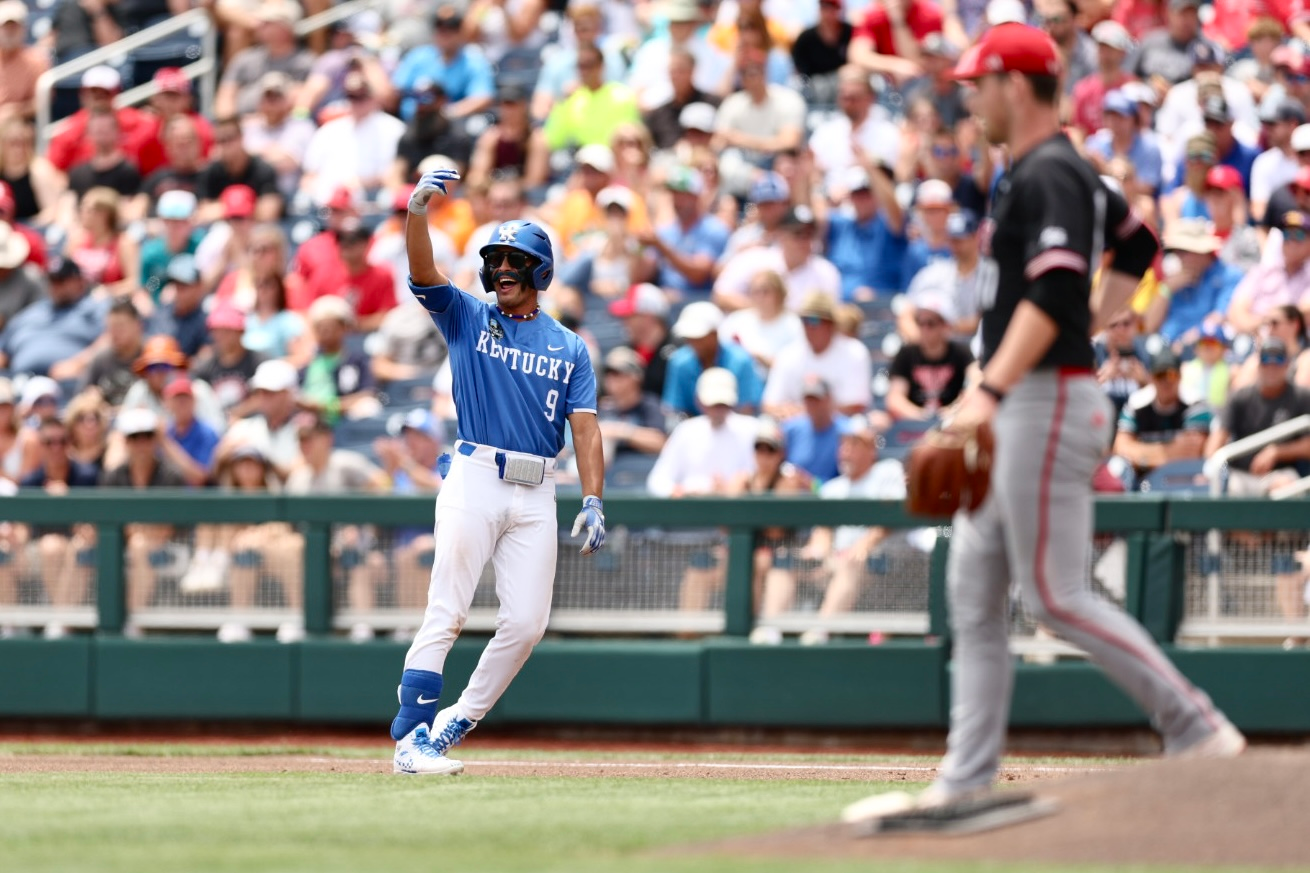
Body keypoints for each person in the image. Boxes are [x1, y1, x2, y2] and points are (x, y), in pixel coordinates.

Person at [844, 24, 1245, 830]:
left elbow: (1055, 289)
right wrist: (1085, 331)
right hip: (1035, 386)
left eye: (977, 83)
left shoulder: (1050, 169)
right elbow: (1139, 244)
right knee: (975, 589)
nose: (969, 97)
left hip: (1040, 396)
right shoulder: (1054, 172)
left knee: (1056, 593)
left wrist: (989, 388)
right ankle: (965, 779)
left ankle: (1197, 726)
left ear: (1014, 85)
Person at [387, 168, 605, 775]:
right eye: (496, 260)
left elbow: (584, 427)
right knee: (448, 609)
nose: (503, 269)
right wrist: (417, 214)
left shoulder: (570, 346)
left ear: (540, 271)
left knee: (528, 622)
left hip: (539, 488)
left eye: (516, 260)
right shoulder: (467, 316)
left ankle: (452, 723)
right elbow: (424, 274)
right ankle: (411, 739)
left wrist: (593, 499)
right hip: (476, 474)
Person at [753, 416, 907, 645]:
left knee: (851, 561)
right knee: (786, 558)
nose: (845, 450)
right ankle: (771, 629)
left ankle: (820, 632)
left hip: (879, 564)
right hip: (836, 564)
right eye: (843, 444)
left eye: (854, 444)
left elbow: (889, 521)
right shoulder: (834, 488)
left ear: (870, 449)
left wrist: (861, 546)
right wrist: (817, 551)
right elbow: (823, 532)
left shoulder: (887, 471)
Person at [762, 293, 873, 419]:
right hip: (794, 428)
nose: (808, 327)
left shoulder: (855, 352)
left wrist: (808, 413)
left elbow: (856, 406)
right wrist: (791, 414)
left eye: (814, 320)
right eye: (804, 320)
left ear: (831, 324)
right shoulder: (787, 355)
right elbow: (769, 404)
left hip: (840, 428)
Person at [1113, 349, 1210, 478]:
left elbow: (1189, 453)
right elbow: (1121, 448)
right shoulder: (1136, 404)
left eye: (1171, 375)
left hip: (1183, 478)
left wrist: (1139, 453)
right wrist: (1169, 452)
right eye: (1160, 375)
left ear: (1180, 376)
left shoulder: (1195, 404)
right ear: (1151, 378)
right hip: (1143, 478)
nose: (1166, 382)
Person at [662, 301, 764, 418]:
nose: (693, 342)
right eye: (689, 338)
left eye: (698, 337)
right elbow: (676, 408)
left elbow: (747, 408)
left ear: (714, 334)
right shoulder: (679, 363)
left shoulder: (740, 360)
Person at [885, 291, 974, 421]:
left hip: (953, 424)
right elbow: (895, 398)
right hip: (913, 427)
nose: (924, 329)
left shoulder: (961, 351)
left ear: (945, 326)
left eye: (930, 323)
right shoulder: (906, 353)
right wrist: (923, 417)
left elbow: (976, 382)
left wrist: (952, 412)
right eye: (920, 323)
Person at [597, 347, 667, 461]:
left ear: (636, 376)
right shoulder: (604, 408)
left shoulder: (650, 405)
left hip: (642, 471)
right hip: (611, 472)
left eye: (617, 373)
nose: (611, 378)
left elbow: (661, 443)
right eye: (608, 373)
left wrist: (619, 431)